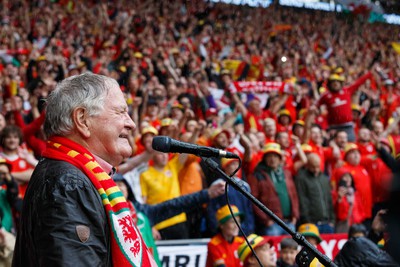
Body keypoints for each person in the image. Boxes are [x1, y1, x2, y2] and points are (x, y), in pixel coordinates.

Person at [13, 73, 157, 266]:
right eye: (120, 112)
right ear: (82, 119)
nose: (131, 123)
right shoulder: (68, 183)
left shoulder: (69, 176)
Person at [248, 142, 299, 236]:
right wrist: (266, 220)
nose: (272, 159)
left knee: (292, 250)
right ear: (264, 159)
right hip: (272, 224)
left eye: (275, 156)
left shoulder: (286, 173)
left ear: (280, 159)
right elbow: (253, 200)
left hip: (289, 222)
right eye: (269, 156)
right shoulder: (257, 175)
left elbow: (294, 196)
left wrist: (295, 217)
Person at [295, 153, 335, 233]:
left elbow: (329, 199)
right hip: (311, 223)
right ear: (308, 165)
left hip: (327, 223)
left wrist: (332, 221)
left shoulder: (324, 179)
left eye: (318, 166)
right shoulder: (302, 178)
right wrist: (307, 221)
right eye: (313, 167)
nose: (316, 169)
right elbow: (302, 200)